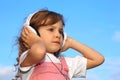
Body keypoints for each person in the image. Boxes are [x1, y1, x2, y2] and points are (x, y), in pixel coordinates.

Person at [14, 9, 104, 80]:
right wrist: (36, 41)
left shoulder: (65, 64)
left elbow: (98, 59)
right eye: (51, 29)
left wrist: (70, 42)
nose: (58, 35)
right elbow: (39, 51)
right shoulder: (28, 57)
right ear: (33, 33)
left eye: (61, 32)